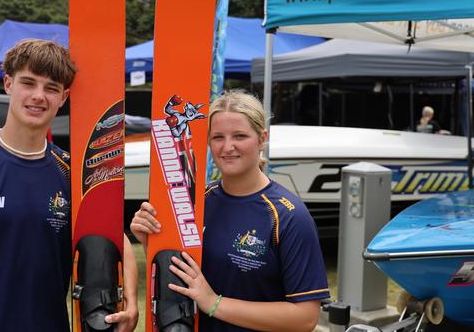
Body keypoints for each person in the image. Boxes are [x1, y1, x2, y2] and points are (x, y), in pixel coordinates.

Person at [0, 39, 138, 331]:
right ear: (8, 84)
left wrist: (132, 302)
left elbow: (118, 241)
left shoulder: (74, 175)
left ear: (64, 97)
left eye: (51, 88)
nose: (38, 96)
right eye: (28, 83)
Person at [131, 90, 329, 332]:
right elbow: (181, 276)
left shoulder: (289, 216)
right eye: (217, 137)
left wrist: (214, 303)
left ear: (261, 138)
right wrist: (150, 241)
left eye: (239, 135)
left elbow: (305, 317)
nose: (227, 147)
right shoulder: (194, 203)